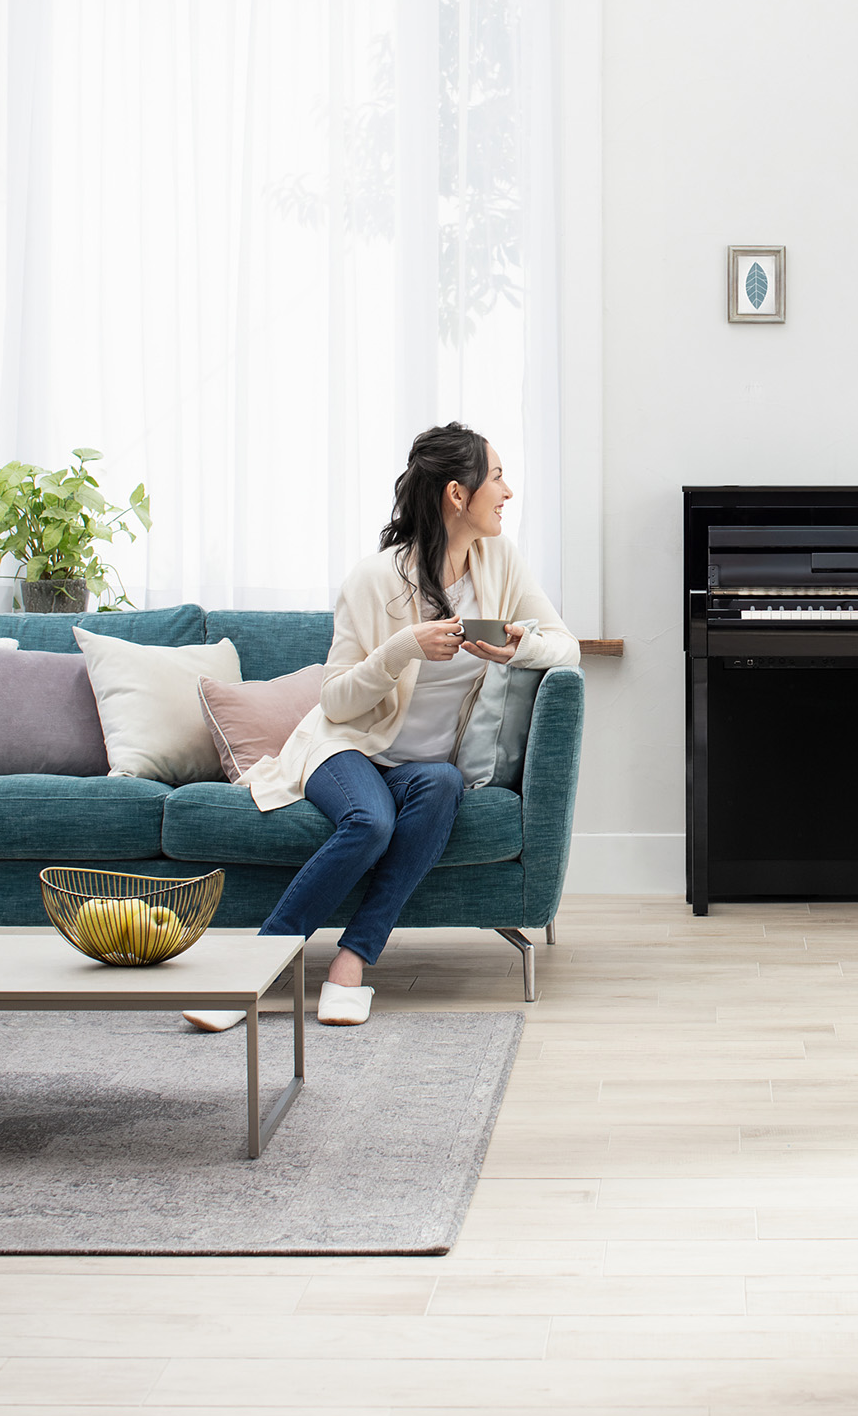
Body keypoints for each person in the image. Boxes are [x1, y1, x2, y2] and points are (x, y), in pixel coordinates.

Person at [185, 423, 579, 1032]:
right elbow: (336, 702)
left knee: (444, 783)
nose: (506, 491)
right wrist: (401, 648)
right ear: (457, 493)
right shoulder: (375, 579)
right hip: (348, 749)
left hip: (424, 767)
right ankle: (253, 970)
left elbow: (566, 648)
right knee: (370, 822)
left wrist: (520, 646)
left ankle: (350, 963)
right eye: (496, 477)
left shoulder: (500, 561)